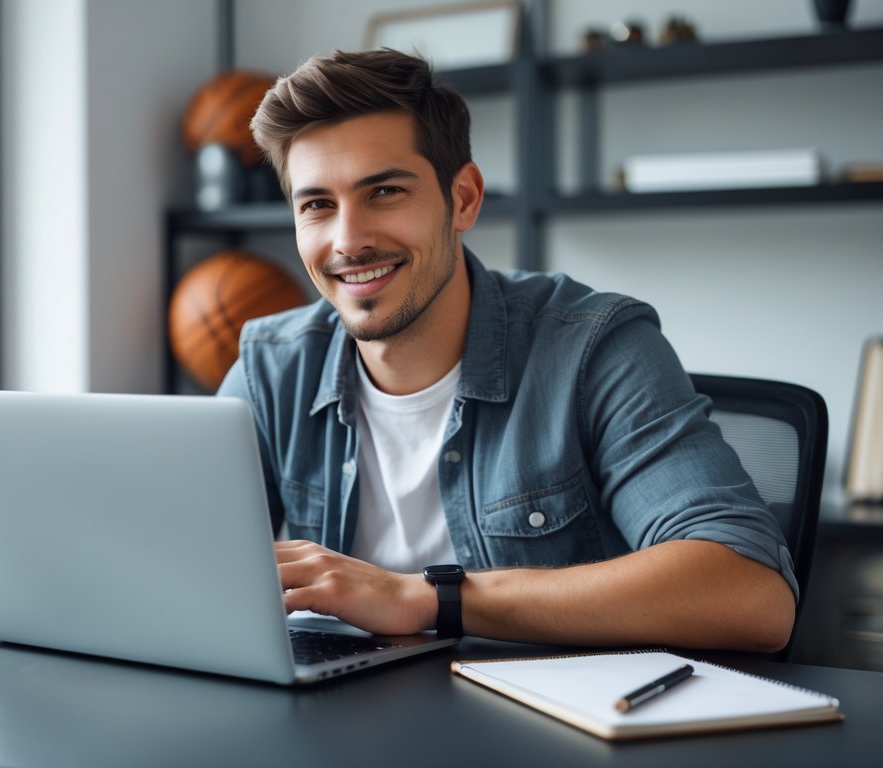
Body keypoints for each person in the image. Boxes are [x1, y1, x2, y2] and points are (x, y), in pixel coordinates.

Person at [216, 49, 796, 653]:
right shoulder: (270, 368)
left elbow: (751, 594)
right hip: (342, 710)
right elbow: (177, 565)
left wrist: (425, 599)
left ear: (464, 198)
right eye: (317, 205)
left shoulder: (595, 349)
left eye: (385, 191)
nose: (349, 241)